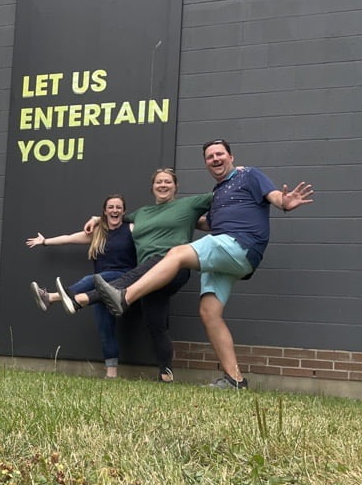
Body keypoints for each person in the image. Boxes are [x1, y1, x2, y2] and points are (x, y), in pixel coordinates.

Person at [90, 139, 314, 389]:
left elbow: (274, 196)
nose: (215, 159)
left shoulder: (249, 175)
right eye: (210, 157)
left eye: (220, 154)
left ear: (231, 157)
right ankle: (235, 380)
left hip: (239, 244)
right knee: (209, 313)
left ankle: (125, 297)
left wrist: (285, 202)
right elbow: (207, 224)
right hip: (225, 257)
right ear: (206, 163)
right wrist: (100, 219)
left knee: (176, 254)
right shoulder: (217, 194)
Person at [62, 168, 213, 382]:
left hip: (174, 266)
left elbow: (221, 195)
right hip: (149, 277)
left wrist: (239, 175)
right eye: (159, 182)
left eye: (167, 182)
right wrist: (97, 218)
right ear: (152, 187)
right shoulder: (142, 213)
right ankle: (166, 375)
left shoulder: (188, 205)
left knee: (135, 275)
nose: (163, 185)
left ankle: (81, 299)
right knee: (155, 324)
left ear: (175, 186)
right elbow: (115, 219)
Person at [26, 194, 136, 378]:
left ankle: (51, 297)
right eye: (111, 207)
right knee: (105, 327)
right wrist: (45, 241)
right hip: (102, 288)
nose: (114, 210)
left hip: (123, 279)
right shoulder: (98, 232)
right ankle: (111, 374)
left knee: (94, 278)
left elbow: (148, 224)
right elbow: (69, 238)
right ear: (105, 210)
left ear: (124, 211)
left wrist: (95, 218)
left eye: (118, 207)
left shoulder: (131, 229)